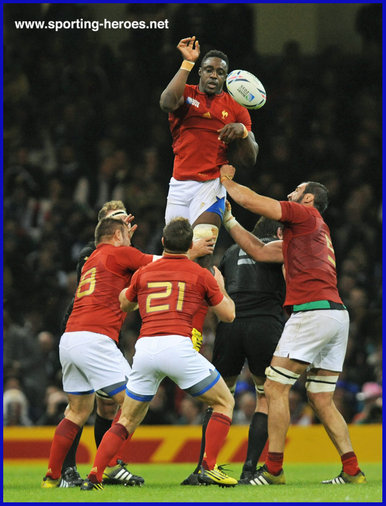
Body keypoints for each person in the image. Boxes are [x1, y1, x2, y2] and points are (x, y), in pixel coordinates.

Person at [219, 164, 367, 486]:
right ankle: (352, 470)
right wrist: (228, 219)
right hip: (335, 315)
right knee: (321, 398)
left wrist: (225, 181)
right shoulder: (310, 234)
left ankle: (273, 470)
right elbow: (258, 249)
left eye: (296, 191)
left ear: (309, 198)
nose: (290, 195)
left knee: (273, 387)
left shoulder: (305, 216)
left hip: (311, 313)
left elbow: (259, 203)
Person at [58, 201, 213, 488]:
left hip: (91, 334)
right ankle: (94, 467)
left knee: (98, 408)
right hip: (92, 333)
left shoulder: (104, 253)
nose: (128, 224)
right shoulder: (97, 253)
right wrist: (189, 249)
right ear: (108, 228)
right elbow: (160, 266)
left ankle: (64, 474)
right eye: (120, 221)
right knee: (123, 402)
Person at [80, 217, 238, 490]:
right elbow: (229, 315)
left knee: (127, 417)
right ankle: (209, 467)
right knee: (224, 403)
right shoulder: (200, 274)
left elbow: (124, 303)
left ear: (163, 242)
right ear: (190, 245)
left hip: (145, 350)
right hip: (178, 347)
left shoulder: (143, 273)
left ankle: (96, 471)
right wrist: (221, 288)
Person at [41, 216, 165, 489]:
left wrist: (119, 234)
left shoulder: (92, 259)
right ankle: (108, 466)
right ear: (118, 236)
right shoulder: (120, 252)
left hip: (71, 337)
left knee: (76, 411)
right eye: (127, 237)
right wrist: (189, 252)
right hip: (95, 339)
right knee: (134, 401)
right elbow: (165, 264)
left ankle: (52, 476)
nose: (131, 242)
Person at [182, 217, 286, 486]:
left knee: (218, 397)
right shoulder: (279, 248)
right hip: (265, 324)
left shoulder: (230, 252)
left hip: (231, 325)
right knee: (265, 396)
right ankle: (250, 470)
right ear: (276, 232)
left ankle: (203, 466)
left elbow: (218, 288)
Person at [159, 36, 258, 269]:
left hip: (211, 185)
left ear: (226, 77)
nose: (214, 75)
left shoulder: (237, 109)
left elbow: (251, 158)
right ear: (200, 72)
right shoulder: (187, 95)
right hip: (179, 185)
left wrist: (242, 131)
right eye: (209, 70)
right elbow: (166, 102)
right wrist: (187, 63)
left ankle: (206, 305)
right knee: (175, 255)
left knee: (202, 251)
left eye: (220, 72)